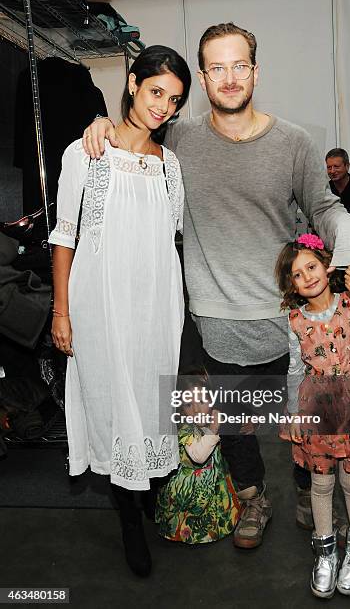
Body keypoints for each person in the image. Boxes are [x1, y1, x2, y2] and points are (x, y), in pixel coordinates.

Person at [81, 22, 350, 550]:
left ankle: (312, 486)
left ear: (256, 72)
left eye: (240, 65)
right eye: (217, 67)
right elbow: (135, 133)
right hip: (217, 321)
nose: (230, 77)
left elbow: (325, 206)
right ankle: (253, 497)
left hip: (291, 319)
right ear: (203, 76)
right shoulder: (180, 138)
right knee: (236, 424)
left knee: (310, 416)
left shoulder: (294, 142)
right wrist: (99, 122)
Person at [49, 45, 191, 577]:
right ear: (132, 83)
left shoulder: (171, 165)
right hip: (100, 303)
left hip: (155, 303)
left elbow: (168, 239)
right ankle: (129, 516)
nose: (163, 107)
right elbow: (65, 237)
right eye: (156, 92)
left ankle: (147, 495)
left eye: (174, 100)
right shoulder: (84, 151)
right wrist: (61, 312)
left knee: (151, 406)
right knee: (113, 406)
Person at [275, 234, 350, 598]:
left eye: (311, 266)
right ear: (291, 284)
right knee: (321, 484)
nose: (307, 276)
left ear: (327, 266)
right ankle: (324, 551)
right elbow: (295, 370)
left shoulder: (349, 303)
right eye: (297, 274)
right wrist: (294, 414)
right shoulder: (294, 321)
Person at [156, 367, 240, 543]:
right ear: (180, 408)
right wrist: (213, 429)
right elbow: (199, 456)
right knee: (192, 516)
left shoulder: (211, 419)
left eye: (202, 400)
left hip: (213, 483)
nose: (196, 409)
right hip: (190, 492)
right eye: (188, 404)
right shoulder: (185, 429)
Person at [326, 148, 350, 220]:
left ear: (347, 166)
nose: (332, 171)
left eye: (336, 167)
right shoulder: (325, 191)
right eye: (329, 167)